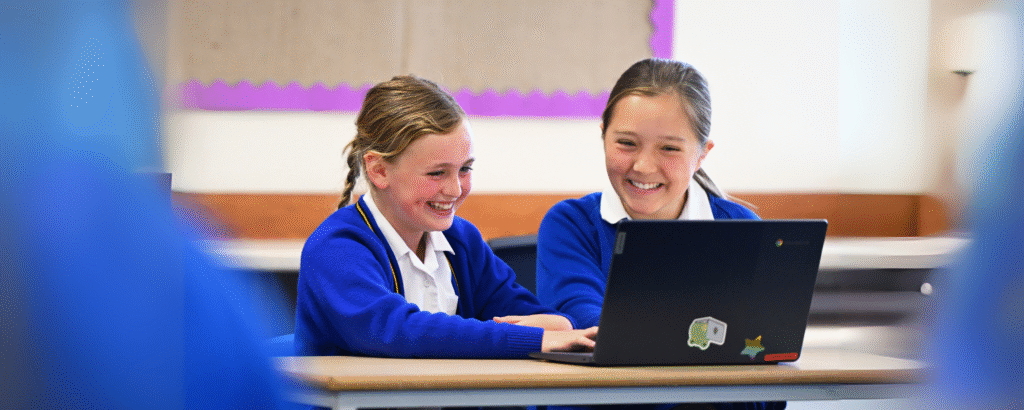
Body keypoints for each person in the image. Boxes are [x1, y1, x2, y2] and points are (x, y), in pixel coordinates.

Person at [535, 59, 782, 410]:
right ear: (603, 133)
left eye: (669, 148)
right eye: (626, 143)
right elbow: (590, 332)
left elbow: (763, 376)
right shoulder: (571, 225)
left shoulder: (742, 231)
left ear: (701, 155)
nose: (644, 166)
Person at [294, 75, 597, 359]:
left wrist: (556, 324)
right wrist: (527, 336)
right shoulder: (337, 247)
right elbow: (396, 331)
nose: (454, 189)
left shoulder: (461, 241)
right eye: (437, 173)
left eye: (465, 169)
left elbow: (551, 323)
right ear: (379, 171)